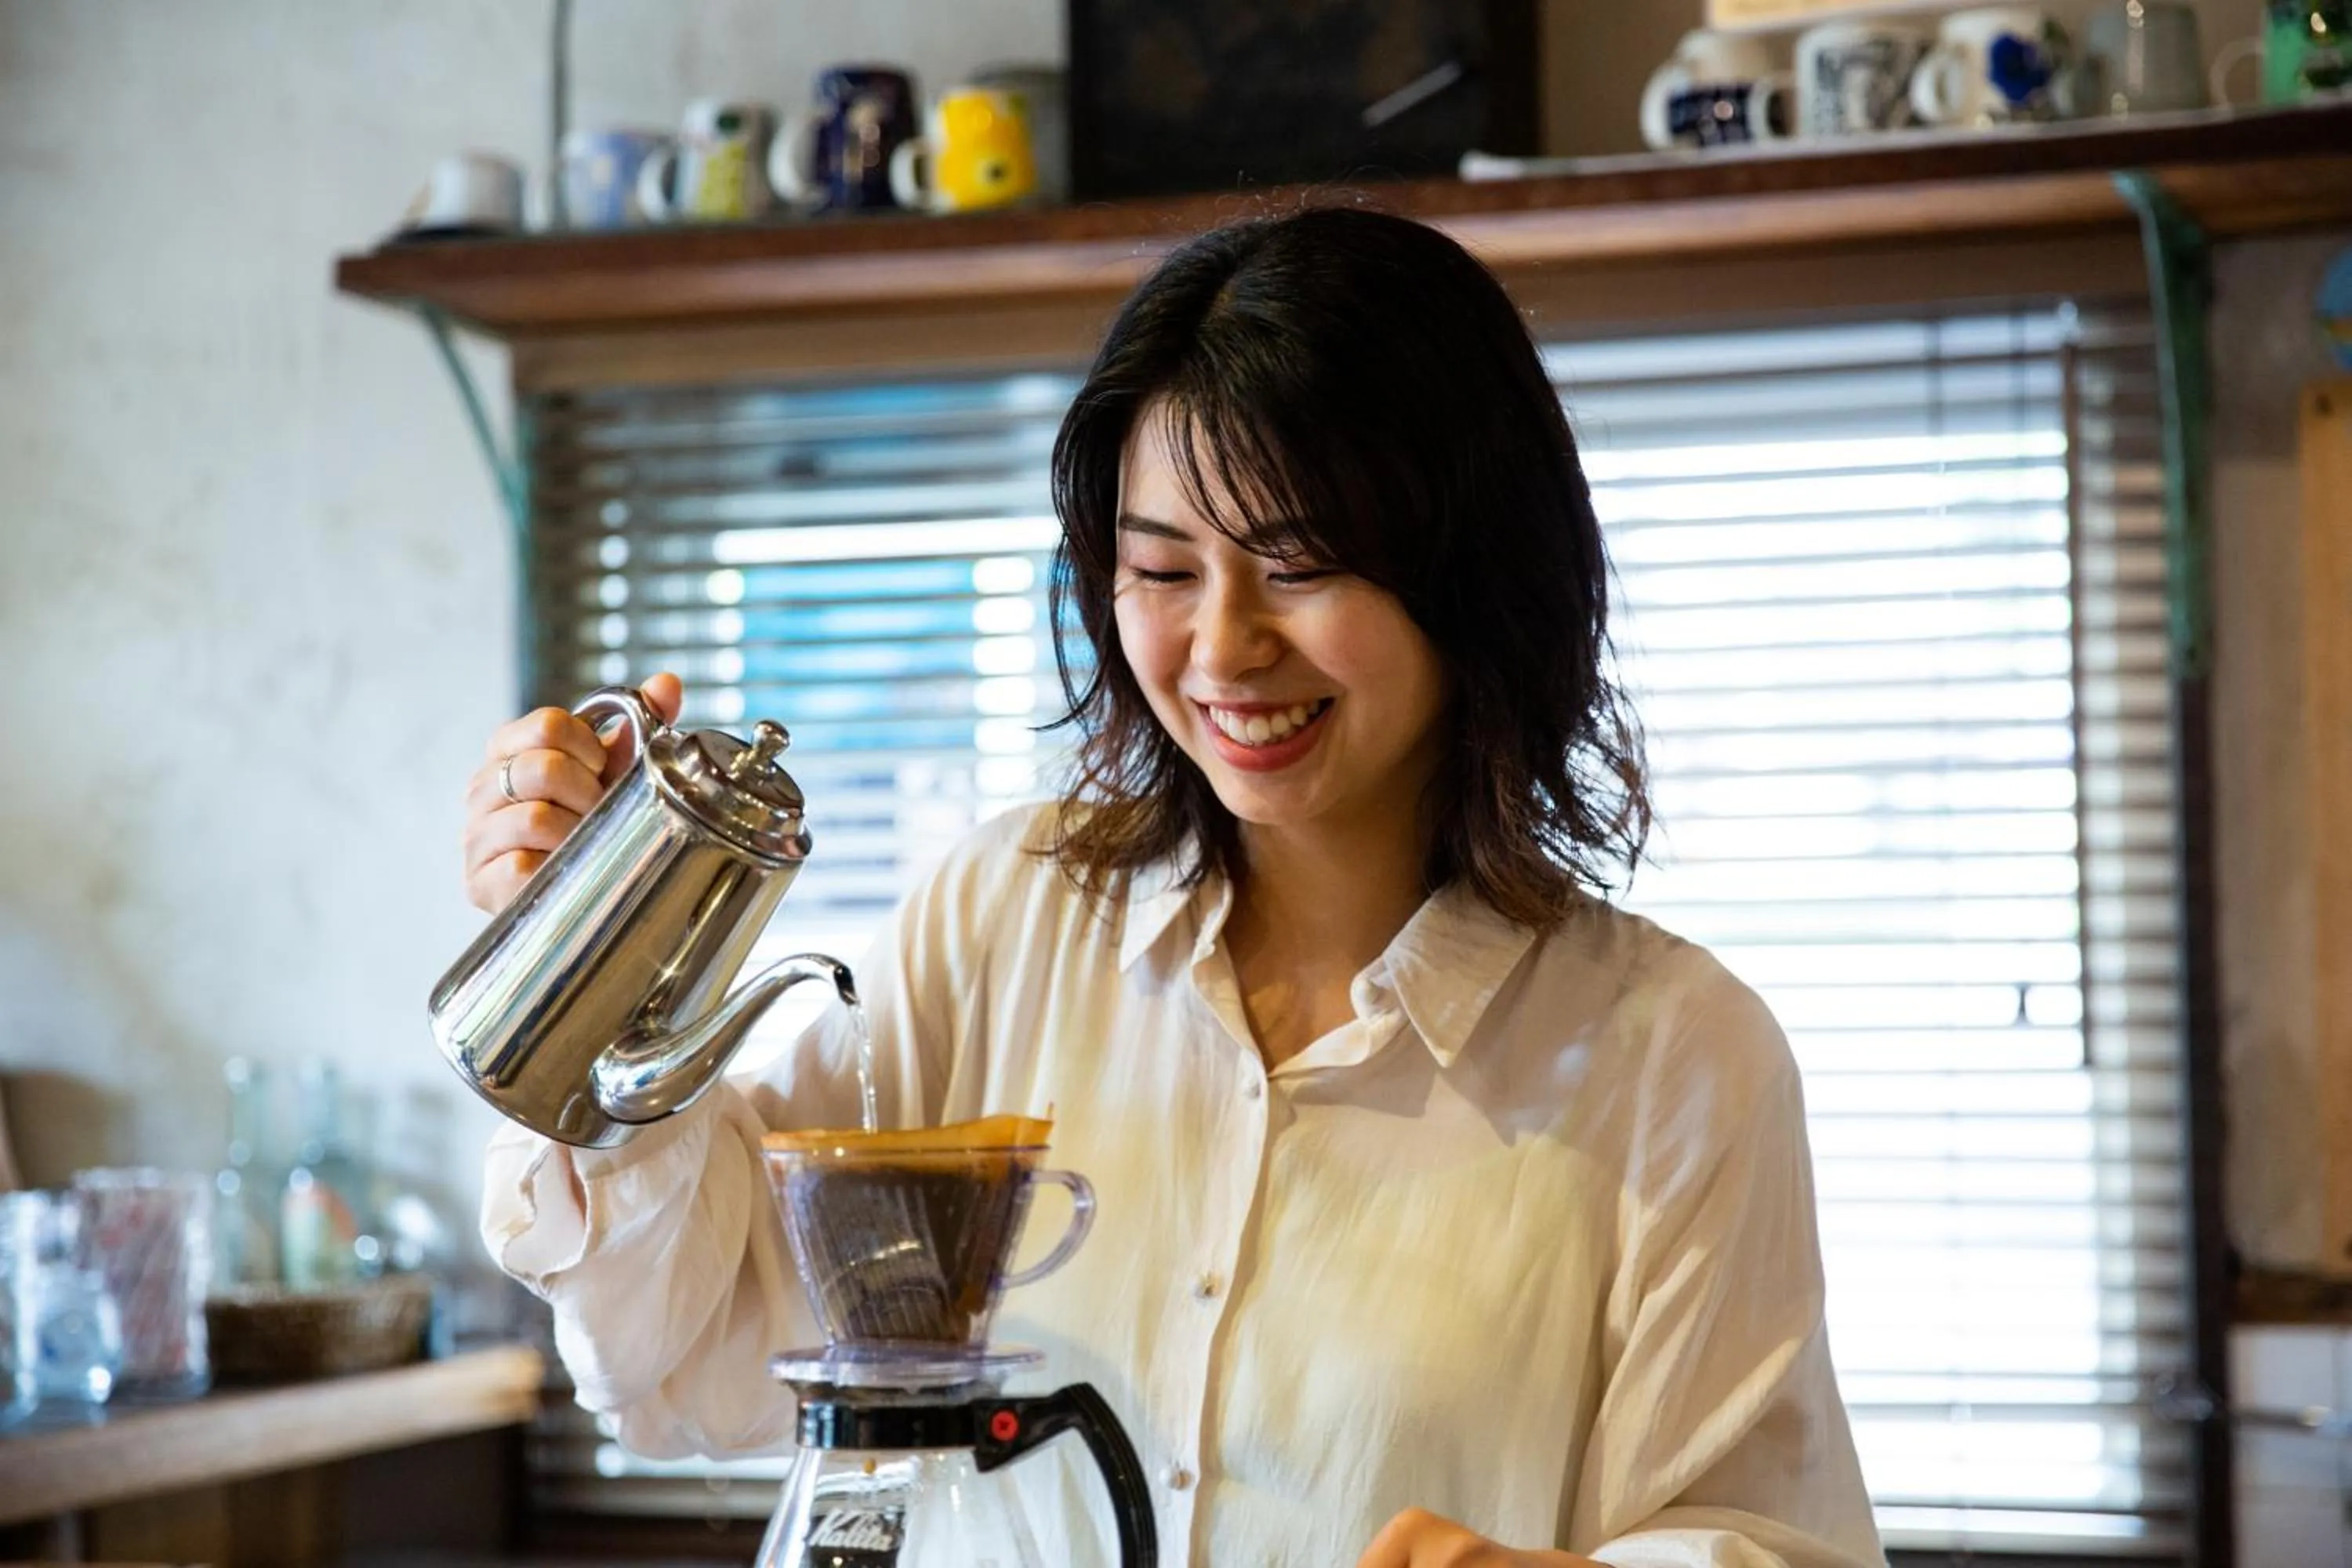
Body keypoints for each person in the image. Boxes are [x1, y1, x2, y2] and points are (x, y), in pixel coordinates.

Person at [462, 206, 1885, 1568]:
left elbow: (1756, 1534)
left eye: (1300, 566)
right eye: (1163, 568)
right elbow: (689, 1363)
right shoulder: (1002, 921)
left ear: (1473, 576)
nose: (1224, 647)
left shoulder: (1674, 1058)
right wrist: (582, 958)